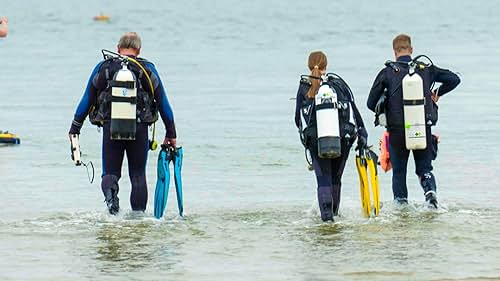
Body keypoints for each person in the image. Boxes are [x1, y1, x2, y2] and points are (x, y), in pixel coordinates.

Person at [69, 32, 177, 215]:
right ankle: (138, 220)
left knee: (110, 173)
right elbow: (163, 102)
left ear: (118, 48)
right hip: (140, 128)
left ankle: (112, 205)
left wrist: (75, 127)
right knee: (137, 175)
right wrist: (171, 133)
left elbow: (87, 99)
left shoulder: (104, 68)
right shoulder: (147, 69)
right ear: (139, 50)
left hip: (111, 127)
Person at [367, 34, 460, 208]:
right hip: (422, 127)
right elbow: (454, 79)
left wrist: (386, 105)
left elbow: (370, 103)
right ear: (411, 50)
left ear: (395, 52)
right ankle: (431, 197)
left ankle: (401, 208)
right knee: (425, 169)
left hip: (397, 131)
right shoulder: (425, 69)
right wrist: (436, 94)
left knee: (399, 173)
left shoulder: (387, 72)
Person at [295, 51, 368, 221]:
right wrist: (362, 135)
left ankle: (327, 220)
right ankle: (334, 215)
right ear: (326, 67)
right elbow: (354, 111)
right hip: (343, 139)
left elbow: (298, 119)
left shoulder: (304, 87)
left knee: (324, 181)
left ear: (308, 67)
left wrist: (308, 140)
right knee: (336, 179)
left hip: (317, 141)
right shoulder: (338, 84)